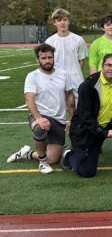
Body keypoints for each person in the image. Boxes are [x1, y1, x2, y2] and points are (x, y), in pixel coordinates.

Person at [7, 44, 75, 174]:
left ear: (54, 58)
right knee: (40, 128)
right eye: (43, 58)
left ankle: (28, 153)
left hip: (58, 120)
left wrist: (72, 118)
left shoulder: (63, 74)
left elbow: (70, 97)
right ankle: (42, 163)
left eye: (50, 57)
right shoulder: (32, 76)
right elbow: (29, 98)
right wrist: (38, 118)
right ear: (37, 60)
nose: (47, 60)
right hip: (40, 115)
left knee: (53, 159)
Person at [44, 8, 87, 102]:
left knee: (78, 105)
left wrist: (76, 73)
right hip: (56, 78)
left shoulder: (78, 40)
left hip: (76, 79)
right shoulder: (49, 41)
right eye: (59, 20)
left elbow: (81, 60)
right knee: (58, 105)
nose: (62, 23)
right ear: (54, 22)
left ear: (69, 21)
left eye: (65, 20)